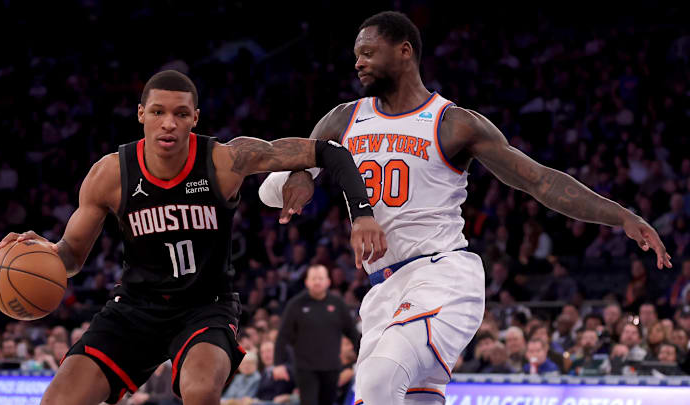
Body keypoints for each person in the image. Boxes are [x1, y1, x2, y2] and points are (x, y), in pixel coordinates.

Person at [259, 11, 671, 404]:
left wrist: (621, 216)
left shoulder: (453, 123)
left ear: (404, 51)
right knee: (403, 397)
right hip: (383, 289)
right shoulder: (341, 119)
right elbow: (299, 166)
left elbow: (540, 180)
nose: (358, 63)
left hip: (442, 276)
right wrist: (298, 179)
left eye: (368, 53)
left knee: (379, 378)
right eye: (356, 56)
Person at [0, 70, 386, 405]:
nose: (169, 123)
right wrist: (40, 251)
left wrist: (360, 212)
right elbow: (72, 257)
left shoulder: (226, 160)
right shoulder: (110, 174)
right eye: (159, 112)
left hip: (205, 306)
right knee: (57, 400)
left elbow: (329, 151)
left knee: (199, 393)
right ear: (141, 114)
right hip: (135, 307)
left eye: (180, 114)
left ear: (194, 118)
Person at [273, 264, 360, 405]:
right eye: (314, 278)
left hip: (332, 367)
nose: (317, 282)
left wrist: (362, 356)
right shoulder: (296, 304)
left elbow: (352, 333)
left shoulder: (337, 304)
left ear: (328, 281)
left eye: (320, 278)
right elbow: (283, 336)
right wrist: (278, 363)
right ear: (307, 282)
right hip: (305, 368)